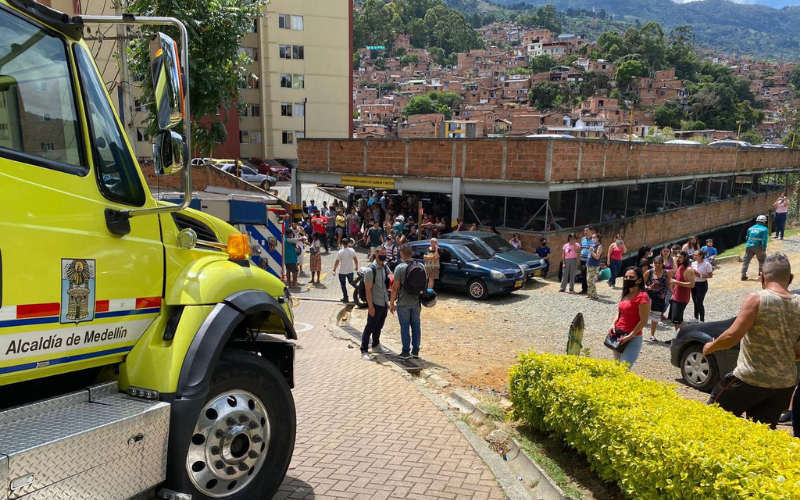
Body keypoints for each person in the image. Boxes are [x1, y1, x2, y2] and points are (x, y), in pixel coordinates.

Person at [704, 253, 800, 429]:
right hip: (784, 384)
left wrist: (711, 346)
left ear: (762, 277)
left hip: (750, 378)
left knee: (712, 419)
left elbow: (732, 336)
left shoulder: (757, 298)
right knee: (761, 433)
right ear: (791, 278)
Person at [607, 266, 651, 368]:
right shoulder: (626, 294)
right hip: (618, 335)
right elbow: (619, 312)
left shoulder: (642, 296)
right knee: (617, 367)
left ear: (639, 280)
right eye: (626, 277)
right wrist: (613, 324)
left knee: (623, 368)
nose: (627, 279)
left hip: (632, 338)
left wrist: (630, 336)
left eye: (631, 277)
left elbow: (644, 320)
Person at [390, 244, 426, 359]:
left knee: (404, 327)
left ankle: (405, 351)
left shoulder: (400, 268)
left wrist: (391, 302)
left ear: (401, 254)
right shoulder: (421, 266)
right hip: (416, 302)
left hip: (403, 302)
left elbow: (395, 288)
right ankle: (415, 351)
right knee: (416, 326)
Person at [360, 246, 391, 360]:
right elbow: (368, 290)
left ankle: (376, 345)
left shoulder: (384, 267)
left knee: (379, 326)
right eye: (382, 253)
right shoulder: (370, 270)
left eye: (385, 253)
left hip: (383, 302)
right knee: (370, 327)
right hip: (375, 303)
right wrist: (370, 306)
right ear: (376, 254)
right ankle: (364, 350)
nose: (384, 255)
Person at [668, 251, 695, 333]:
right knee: (677, 319)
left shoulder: (689, 269)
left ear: (685, 258)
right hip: (676, 297)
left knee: (677, 321)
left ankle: (678, 339)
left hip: (682, 298)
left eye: (680, 257)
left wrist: (677, 282)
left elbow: (692, 284)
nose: (678, 259)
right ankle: (678, 336)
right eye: (677, 257)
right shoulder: (680, 267)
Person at [644, 256, 670, 342]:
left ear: (663, 264)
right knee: (644, 315)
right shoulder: (649, 272)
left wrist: (673, 293)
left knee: (655, 317)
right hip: (648, 296)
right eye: (656, 263)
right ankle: (637, 332)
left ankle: (652, 334)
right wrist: (648, 287)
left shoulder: (666, 273)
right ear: (653, 264)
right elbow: (642, 284)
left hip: (660, 298)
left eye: (659, 263)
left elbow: (668, 284)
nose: (657, 265)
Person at [741, 215, 769, 281]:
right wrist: (764, 249)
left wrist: (749, 244)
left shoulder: (750, 228)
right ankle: (761, 274)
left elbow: (747, 238)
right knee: (762, 260)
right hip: (758, 246)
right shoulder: (764, 229)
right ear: (764, 221)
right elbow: (764, 240)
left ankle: (743, 275)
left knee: (746, 260)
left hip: (749, 246)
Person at [332, 238, 358, 303]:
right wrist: (356, 266)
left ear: (342, 244)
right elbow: (355, 259)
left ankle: (345, 297)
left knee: (343, 284)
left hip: (342, 271)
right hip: (350, 270)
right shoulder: (352, 250)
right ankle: (360, 289)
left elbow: (337, 262)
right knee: (352, 282)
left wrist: (334, 269)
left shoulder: (340, 252)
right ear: (348, 243)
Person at [691, 250, 713, 323]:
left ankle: (702, 319)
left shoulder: (706, 264)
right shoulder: (693, 264)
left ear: (701, 256)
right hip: (694, 284)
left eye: (696, 255)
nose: (694, 256)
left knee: (699, 301)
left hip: (702, 284)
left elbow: (710, 275)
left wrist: (701, 275)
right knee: (695, 301)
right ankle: (696, 317)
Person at [586, 233, 603, 300]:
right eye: (592, 237)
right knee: (588, 279)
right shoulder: (592, 245)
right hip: (589, 264)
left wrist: (592, 251)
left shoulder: (599, 246)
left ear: (598, 238)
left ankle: (594, 295)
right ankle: (589, 293)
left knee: (591, 280)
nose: (592, 239)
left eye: (594, 237)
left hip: (594, 265)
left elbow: (597, 257)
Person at [579, 225, 593, 294]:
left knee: (589, 275)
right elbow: (581, 248)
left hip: (590, 260)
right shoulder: (583, 239)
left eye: (587, 230)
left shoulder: (593, 240)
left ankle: (589, 289)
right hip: (582, 259)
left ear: (591, 231)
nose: (585, 232)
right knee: (583, 274)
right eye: (584, 231)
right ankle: (584, 289)